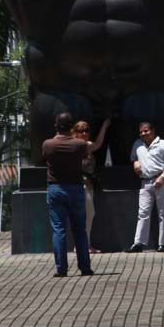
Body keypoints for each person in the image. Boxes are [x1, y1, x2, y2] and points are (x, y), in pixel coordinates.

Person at [42, 112, 106, 276]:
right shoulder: (79, 145)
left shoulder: (48, 144)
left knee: (59, 230)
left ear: (56, 127)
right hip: (76, 188)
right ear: (71, 128)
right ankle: (85, 267)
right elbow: (94, 147)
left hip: (56, 188)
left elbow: (45, 157)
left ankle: (61, 269)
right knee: (80, 230)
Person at [129, 120, 164, 253]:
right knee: (143, 213)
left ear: (153, 130)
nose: (143, 134)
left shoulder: (163, 144)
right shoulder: (137, 144)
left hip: (161, 180)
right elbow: (134, 158)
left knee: (163, 213)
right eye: (141, 132)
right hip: (145, 182)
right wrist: (136, 164)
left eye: (146, 130)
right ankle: (138, 243)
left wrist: (162, 177)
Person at [73, 119, 108, 247]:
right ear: (75, 132)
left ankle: (85, 244)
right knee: (87, 214)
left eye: (86, 130)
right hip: (80, 185)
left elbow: (98, 143)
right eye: (80, 131)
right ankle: (83, 245)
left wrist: (104, 126)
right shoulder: (76, 145)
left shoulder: (86, 144)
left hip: (88, 185)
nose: (84, 133)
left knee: (87, 214)